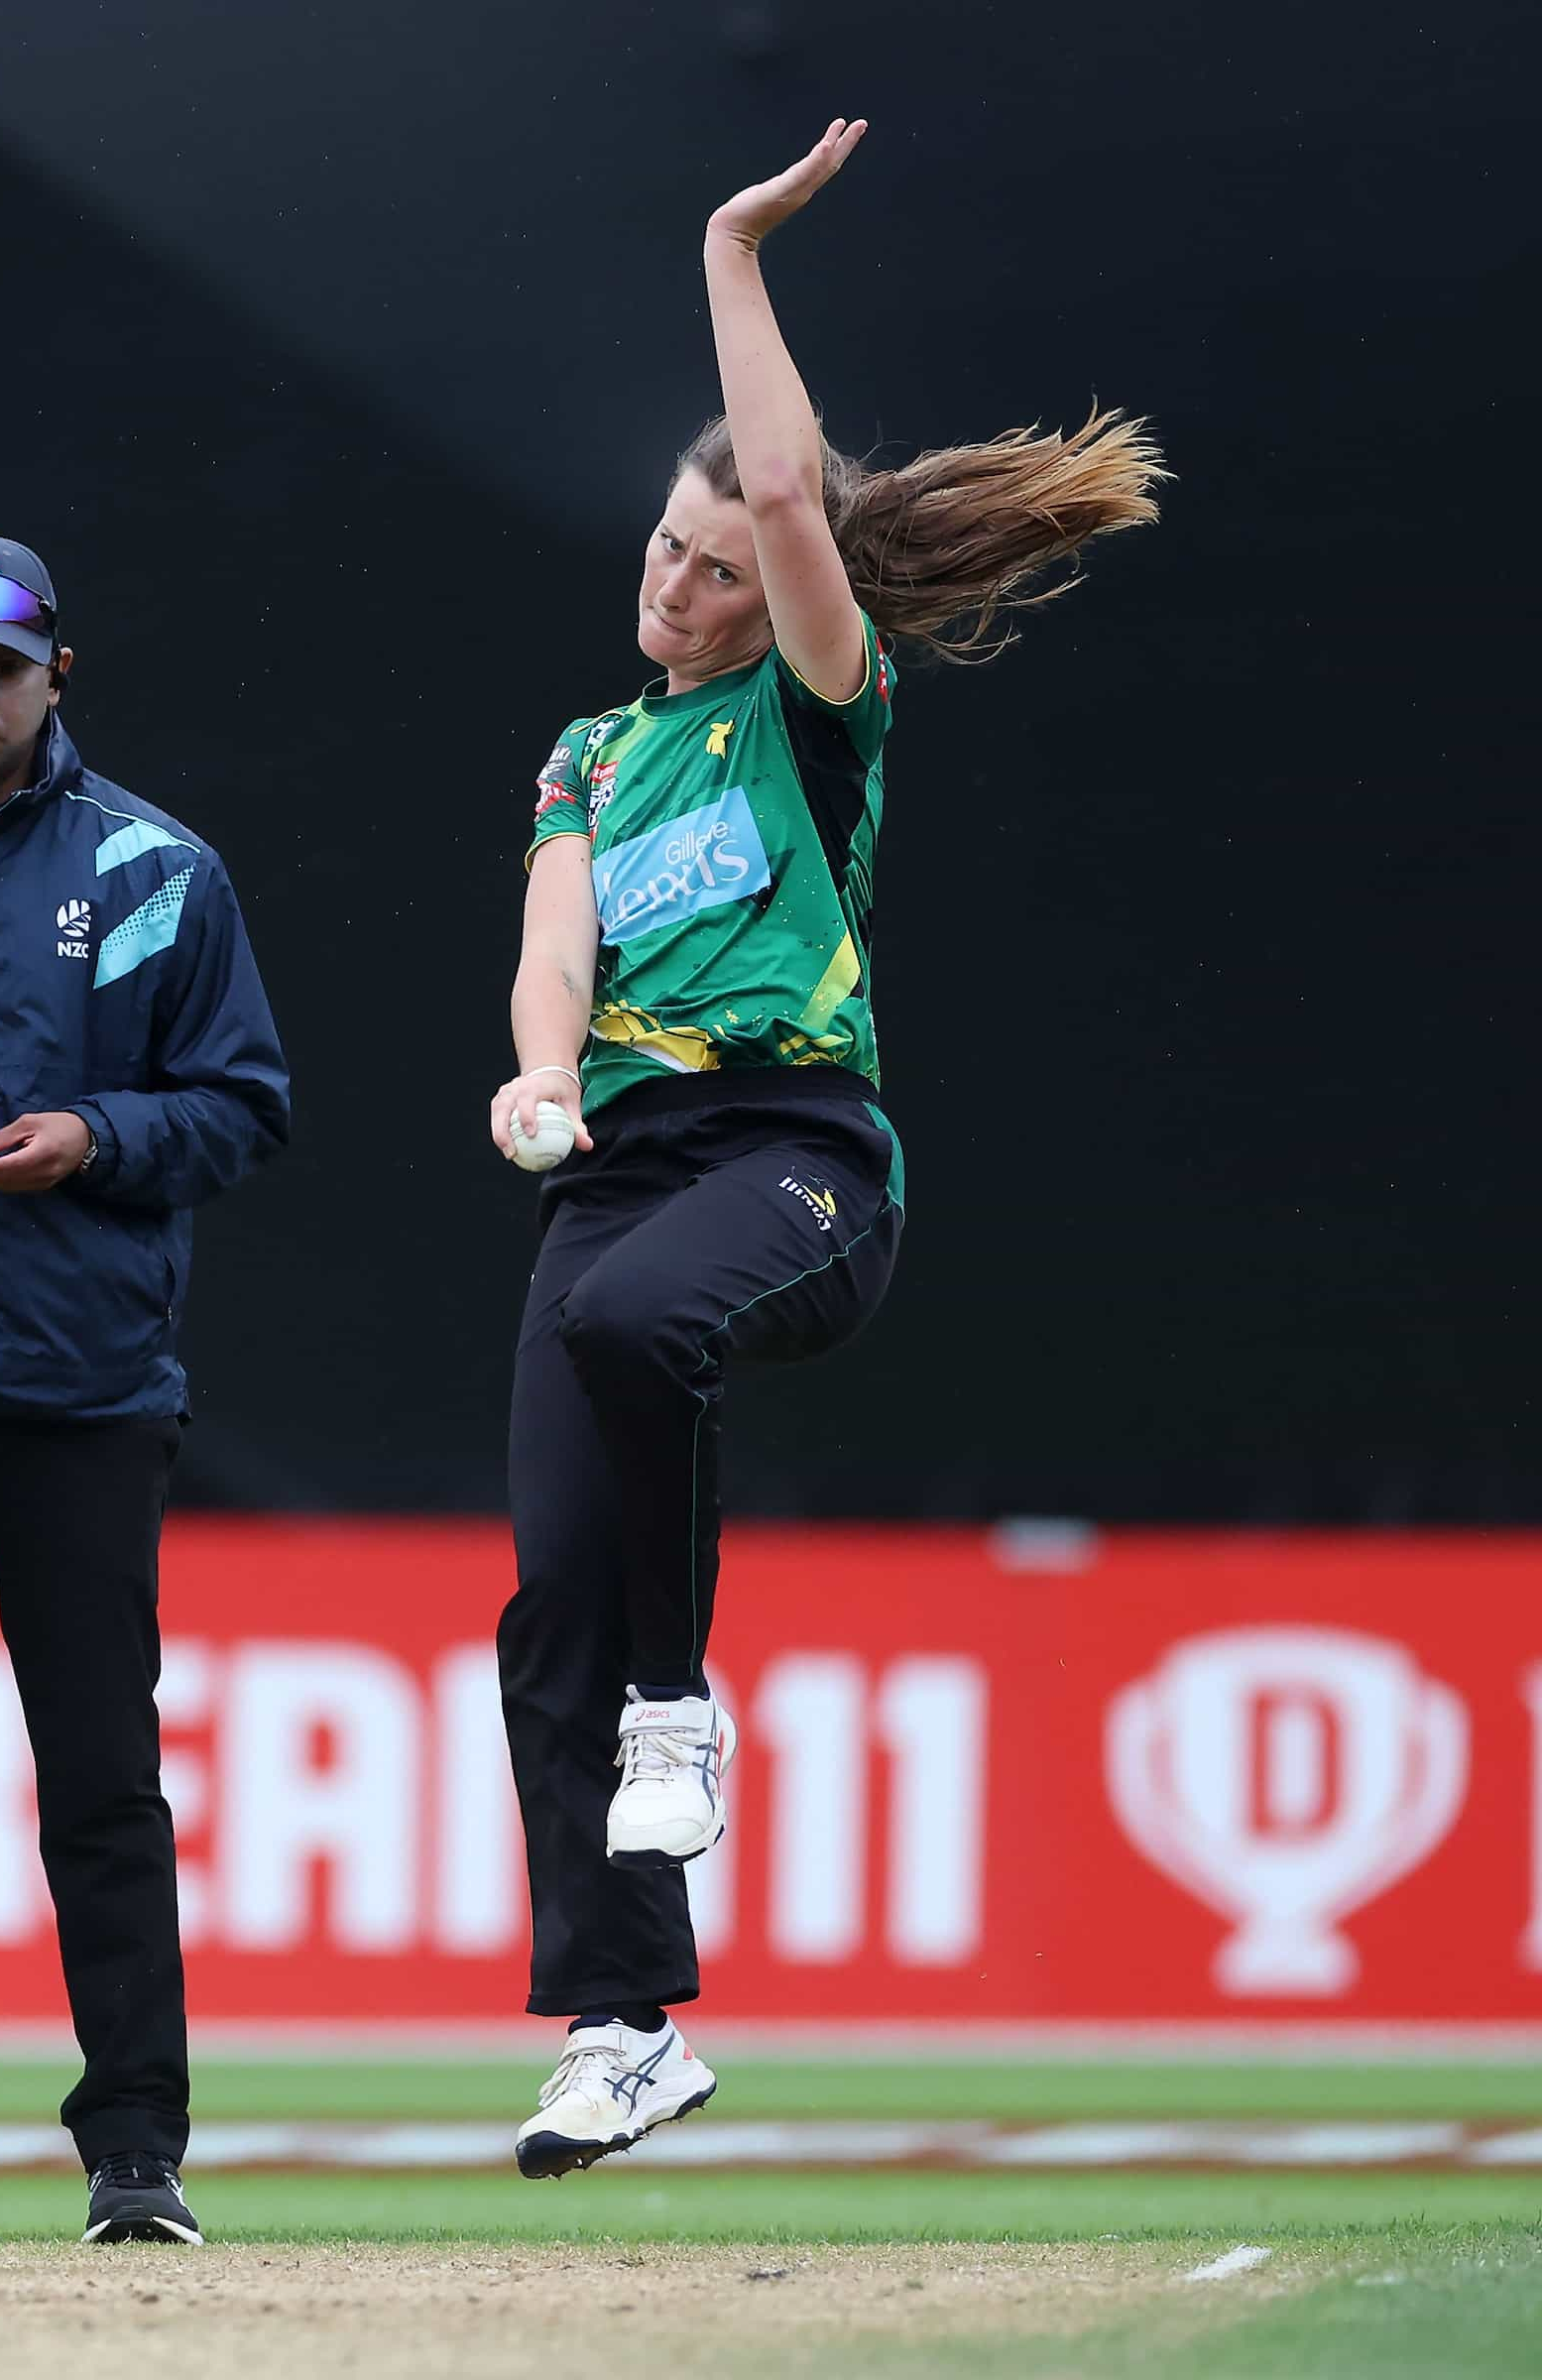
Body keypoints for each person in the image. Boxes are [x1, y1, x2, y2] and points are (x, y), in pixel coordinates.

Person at [492, 121, 1164, 2180]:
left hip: (797, 1164)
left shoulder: (814, 701)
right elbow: (554, 950)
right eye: (662, 550)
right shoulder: (590, 750)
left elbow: (788, 481)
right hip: (612, 1171)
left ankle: (682, 1714)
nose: (674, 581)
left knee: (628, 1323)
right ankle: (624, 2029)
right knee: (544, 1620)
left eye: (711, 558)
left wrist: (725, 248)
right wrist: (529, 1081)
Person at [0, 533, 289, 2242]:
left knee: (98, 1778)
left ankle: (135, 2155)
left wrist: (94, 1137)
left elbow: (245, 1107)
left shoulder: (160, 868)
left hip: (81, 1393)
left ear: (53, 675)